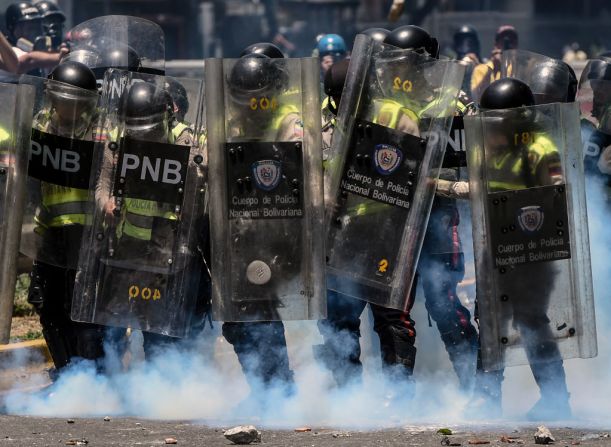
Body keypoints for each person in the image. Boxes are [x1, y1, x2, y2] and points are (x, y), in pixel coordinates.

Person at [470, 77, 572, 420]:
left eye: (496, 122)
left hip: (530, 253)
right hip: (495, 247)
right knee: (488, 321)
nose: (490, 129)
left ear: (517, 121)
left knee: (531, 321)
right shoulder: (492, 150)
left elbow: (556, 198)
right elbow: (481, 190)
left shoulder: (539, 149)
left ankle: (557, 400)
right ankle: (486, 400)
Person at [219, 50, 301, 397]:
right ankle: (268, 387)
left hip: (278, 233)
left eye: (255, 100)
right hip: (240, 234)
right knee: (238, 320)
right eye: (242, 100)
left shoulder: (289, 122)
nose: (248, 107)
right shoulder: (233, 125)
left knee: (261, 312)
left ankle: (278, 390)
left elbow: (303, 174)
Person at [26, 61, 105, 373]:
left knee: (87, 312)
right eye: (62, 98)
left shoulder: (99, 129)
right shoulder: (41, 126)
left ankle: (96, 378)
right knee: (49, 307)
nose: (67, 106)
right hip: (50, 234)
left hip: (90, 234)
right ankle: (67, 374)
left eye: (75, 100)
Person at [2, 2, 66, 79]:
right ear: (11, 28)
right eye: (29, 27)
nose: (35, 31)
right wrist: (59, 57)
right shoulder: (8, 53)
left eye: (37, 25)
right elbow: (27, 61)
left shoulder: (40, 53)